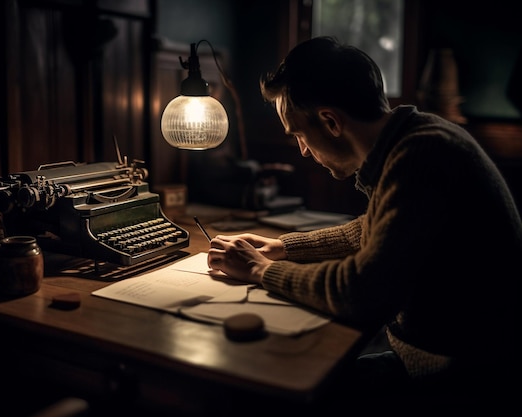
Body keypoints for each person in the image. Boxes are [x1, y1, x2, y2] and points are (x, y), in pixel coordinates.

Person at [206, 36, 522, 413]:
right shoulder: (417, 137)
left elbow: (361, 292)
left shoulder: (420, 157)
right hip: (438, 357)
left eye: (300, 135)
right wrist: (285, 247)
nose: (304, 151)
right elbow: (372, 227)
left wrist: (262, 270)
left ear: (330, 121)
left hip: (460, 378)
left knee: (262, 393)